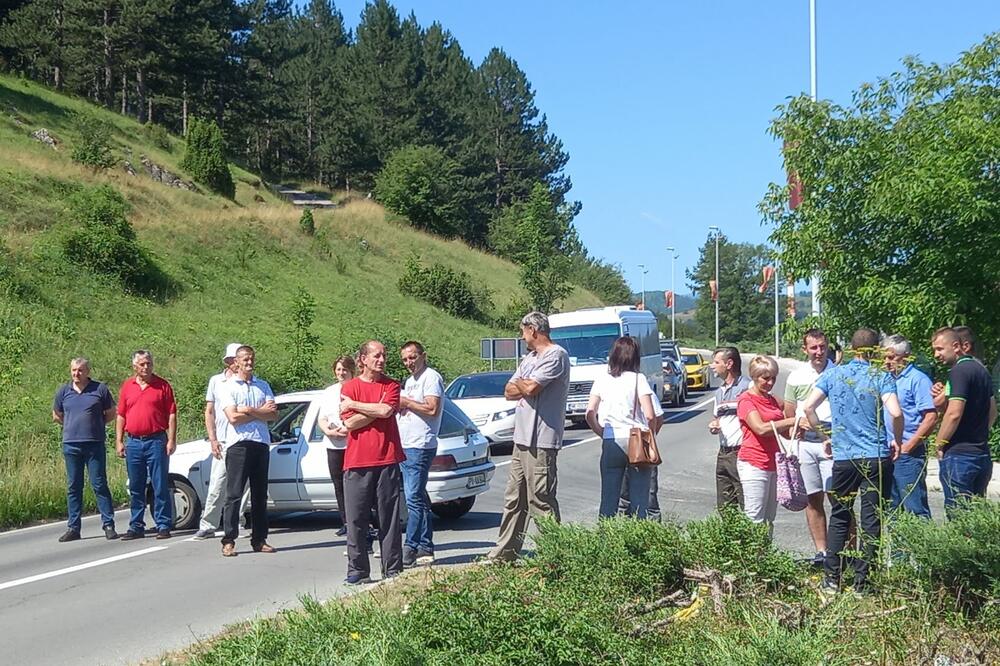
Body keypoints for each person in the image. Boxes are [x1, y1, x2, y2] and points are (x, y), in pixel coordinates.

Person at [803, 328, 902, 593]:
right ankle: (863, 583)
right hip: (875, 457)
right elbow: (895, 411)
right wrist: (898, 439)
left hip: (845, 457)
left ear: (851, 347)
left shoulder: (833, 374)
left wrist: (826, 436)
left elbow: (808, 407)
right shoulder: (880, 376)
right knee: (871, 518)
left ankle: (832, 579)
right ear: (875, 350)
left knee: (840, 515)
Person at [487, 311, 570, 562]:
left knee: (541, 499)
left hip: (542, 439)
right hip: (521, 438)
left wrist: (525, 384)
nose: (521, 336)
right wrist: (525, 384)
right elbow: (508, 390)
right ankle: (505, 554)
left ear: (534, 330)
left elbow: (532, 388)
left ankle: (555, 556)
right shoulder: (530, 358)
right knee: (514, 498)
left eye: (523, 331)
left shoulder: (556, 355)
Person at [339, 340, 405, 584]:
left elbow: (386, 412)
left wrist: (356, 406)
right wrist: (374, 410)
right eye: (376, 356)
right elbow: (349, 423)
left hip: (387, 459)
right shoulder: (350, 386)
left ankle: (392, 568)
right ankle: (357, 570)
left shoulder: (392, 385)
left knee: (389, 518)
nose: (381, 359)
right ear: (363, 359)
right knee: (356, 518)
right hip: (357, 462)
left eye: (384, 355)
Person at [586, 336, 658, 518]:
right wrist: (650, 435)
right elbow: (650, 414)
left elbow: (589, 412)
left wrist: (601, 432)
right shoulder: (638, 379)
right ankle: (637, 539)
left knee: (609, 497)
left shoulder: (602, 380)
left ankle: (606, 540)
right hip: (636, 439)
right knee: (639, 498)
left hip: (611, 439)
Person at [218, 345, 278, 557]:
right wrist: (260, 412)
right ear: (236, 362)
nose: (249, 362)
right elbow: (233, 418)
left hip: (261, 443)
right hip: (239, 445)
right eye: (245, 359)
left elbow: (273, 414)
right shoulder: (228, 387)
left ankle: (259, 539)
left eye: (251, 358)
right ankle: (229, 540)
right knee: (234, 494)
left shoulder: (262, 385)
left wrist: (250, 410)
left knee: (260, 494)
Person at [930, 327, 996, 516]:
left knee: (958, 517)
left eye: (940, 349)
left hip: (960, 456)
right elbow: (993, 411)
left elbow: (954, 413)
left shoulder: (959, 371)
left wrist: (939, 443)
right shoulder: (981, 370)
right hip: (981, 454)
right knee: (976, 519)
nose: (936, 354)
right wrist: (979, 432)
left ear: (956, 346)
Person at [783, 328, 835, 566]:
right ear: (805, 349)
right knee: (813, 499)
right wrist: (796, 424)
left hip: (833, 444)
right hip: (806, 444)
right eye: (813, 347)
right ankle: (822, 552)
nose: (819, 352)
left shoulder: (838, 372)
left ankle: (845, 552)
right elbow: (789, 412)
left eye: (822, 346)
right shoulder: (796, 376)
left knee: (840, 499)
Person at [52, 357, 118, 542]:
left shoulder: (99, 390)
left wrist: (96, 424)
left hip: (94, 444)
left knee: (99, 484)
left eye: (80, 370)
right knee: (74, 486)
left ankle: (108, 524)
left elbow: (111, 412)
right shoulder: (64, 391)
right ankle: (74, 527)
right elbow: (57, 415)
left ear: (87, 371)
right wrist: (71, 425)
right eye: (73, 370)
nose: (76, 374)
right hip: (71, 445)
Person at [116, 350, 177, 540]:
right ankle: (136, 525)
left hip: (156, 440)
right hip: (134, 442)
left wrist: (171, 439)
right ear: (135, 366)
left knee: (159, 484)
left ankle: (163, 524)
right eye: (142, 364)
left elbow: (172, 414)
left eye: (149, 363)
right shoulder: (128, 386)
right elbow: (121, 415)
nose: (146, 367)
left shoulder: (162, 386)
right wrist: (118, 440)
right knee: (136, 486)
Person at [736, 356, 799, 532]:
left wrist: (798, 427)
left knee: (770, 517)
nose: (770, 383)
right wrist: (790, 421)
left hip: (774, 463)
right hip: (754, 462)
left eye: (773, 378)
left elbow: (784, 431)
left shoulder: (772, 400)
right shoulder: (746, 400)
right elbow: (761, 429)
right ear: (754, 377)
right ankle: (750, 558)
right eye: (765, 378)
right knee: (754, 516)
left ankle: (765, 556)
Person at [397, 341, 445, 567]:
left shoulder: (431, 377)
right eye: (405, 359)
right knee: (418, 497)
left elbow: (432, 408)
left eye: (412, 358)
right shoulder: (410, 381)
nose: (409, 363)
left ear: (423, 356)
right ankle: (426, 545)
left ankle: (411, 545)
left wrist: (406, 401)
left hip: (420, 446)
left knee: (413, 498)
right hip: (406, 445)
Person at [882, 335, 936, 518]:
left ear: (905, 356)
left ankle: (922, 546)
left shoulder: (918, 379)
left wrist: (909, 446)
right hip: (889, 451)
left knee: (915, 507)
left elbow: (930, 416)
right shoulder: (886, 379)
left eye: (891, 357)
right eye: (884, 357)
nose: (886, 362)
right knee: (893, 510)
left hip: (909, 453)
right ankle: (898, 548)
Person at [192, 343, 242, 540]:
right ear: (229, 361)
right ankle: (208, 524)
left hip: (240, 438)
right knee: (217, 483)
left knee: (240, 485)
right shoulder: (217, 381)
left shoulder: (246, 381)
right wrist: (212, 438)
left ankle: (238, 522)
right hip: (222, 439)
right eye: (234, 360)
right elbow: (210, 411)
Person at [317, 355, 356, 538]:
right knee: (338, 485)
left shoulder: (356, 388)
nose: (341, 373)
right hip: (333, 444)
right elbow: (322, 418)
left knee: (355, 485)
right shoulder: (329, 392)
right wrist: (328, 431)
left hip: (353, 444)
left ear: (352, 372)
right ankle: (346, 522)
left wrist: (347, 429)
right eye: (338, 369)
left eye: (345, 370)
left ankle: (362, 522)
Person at [708, 346, 750, 510]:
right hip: (723, 452)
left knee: (746, 502)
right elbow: (717, 418)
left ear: (729, 364)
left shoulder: (747, 387)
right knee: (725, 505)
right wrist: (714, 425)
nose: (712, 366)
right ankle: (731, 535)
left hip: (741, 452)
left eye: (716, 362)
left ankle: (751, 535)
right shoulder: (719, 392)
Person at [617, 397, 664, 520]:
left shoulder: (615, 386)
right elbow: (655, 418)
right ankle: (650, 532)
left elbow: (655, 418)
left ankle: (624, 532)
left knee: (624, 498)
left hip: (621, 445)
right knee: (649, 495)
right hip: (642, 449)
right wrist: (648, 441)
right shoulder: (642, 386)